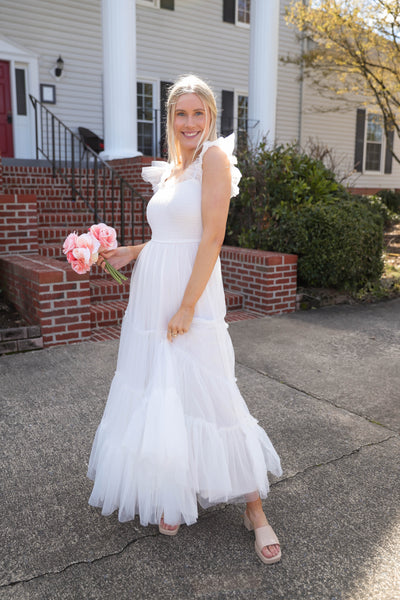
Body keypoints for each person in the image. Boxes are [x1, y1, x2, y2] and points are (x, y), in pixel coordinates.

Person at [87, 74, 282, 565]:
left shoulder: (214, 160)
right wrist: (126, 252)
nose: (190, 122)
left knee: (211, 388)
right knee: (160, 388)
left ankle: (254, 511)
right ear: (170, 119)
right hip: (153, 292)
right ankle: (175, 492)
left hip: (190, 294)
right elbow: (169, 238)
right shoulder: (173, 170)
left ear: (211, 117)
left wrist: (190, 305)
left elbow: (211, 238)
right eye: (181, 114)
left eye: (198, 113)